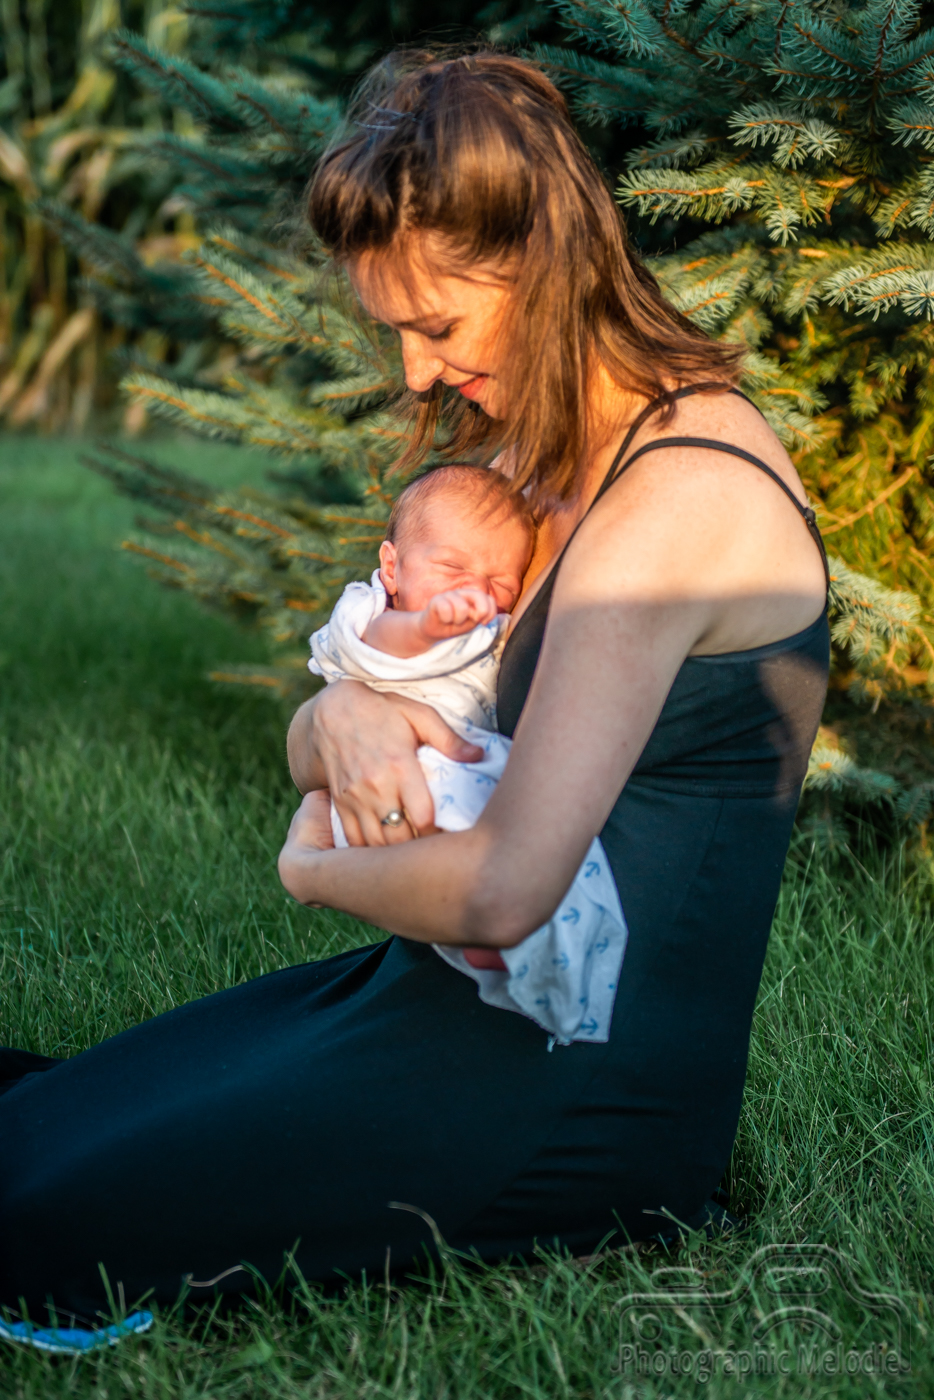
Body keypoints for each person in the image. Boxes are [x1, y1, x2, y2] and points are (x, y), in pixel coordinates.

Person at [0, 48, 829, 1323]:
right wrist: (337, 711)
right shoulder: (539, 462)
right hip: (447, 1005)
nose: (413, 374)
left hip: (580, 1098)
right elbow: (342, 725)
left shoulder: (679, 501)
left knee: (40, 1216)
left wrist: (308, 870)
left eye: (434, 325)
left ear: (541, 261)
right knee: (40, 1108)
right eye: (394, 330)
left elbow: (504, 886)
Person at [309, 462, 627, 1045]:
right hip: (394, 773)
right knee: (459, 826)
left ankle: (507, 953)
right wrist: (426, 626)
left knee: (513, 832)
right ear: (391, 567)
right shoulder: (377, 613)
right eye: (452, 568)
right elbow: (375, 646)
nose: (475, 591)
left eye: (500, 582)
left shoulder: (488, 626)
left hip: (457, 765)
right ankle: (471, 920)